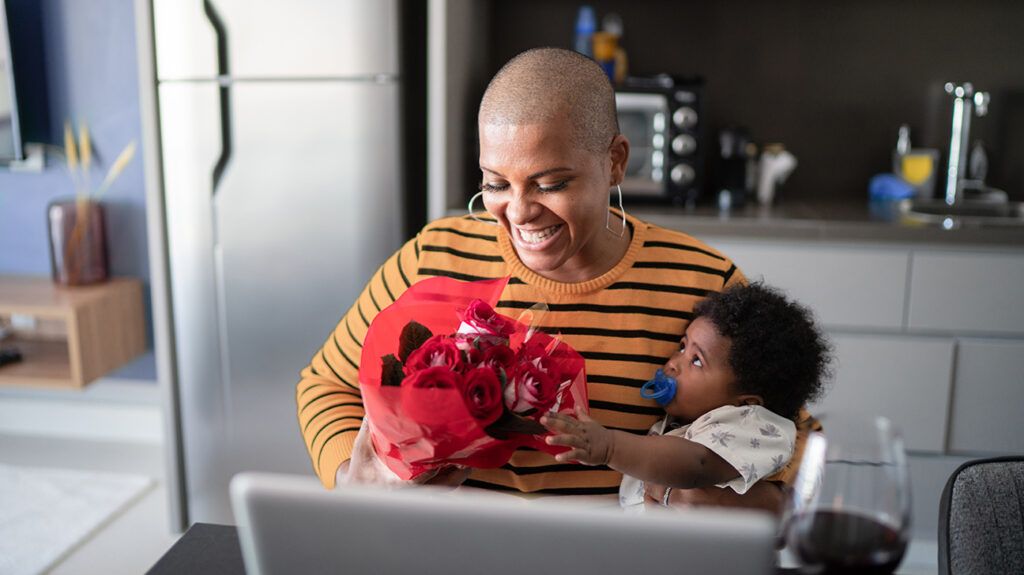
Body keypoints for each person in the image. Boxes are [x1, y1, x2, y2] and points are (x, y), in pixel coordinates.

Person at [295, 47, 818, 511]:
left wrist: (768, 502)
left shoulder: (707, 280)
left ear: (614, 162)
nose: (519, 212)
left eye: (551, 183)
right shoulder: (432, 256)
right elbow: (326, 384)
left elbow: (789, 432)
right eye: (496, 183)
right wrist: (354, 477)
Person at [541, 283, 831, 511]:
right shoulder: (683, 421)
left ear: (747, 402)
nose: (673, 363)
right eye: (682, 346)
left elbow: (697, 464)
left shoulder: (755, 426)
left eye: (696, 361)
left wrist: (609, 447)